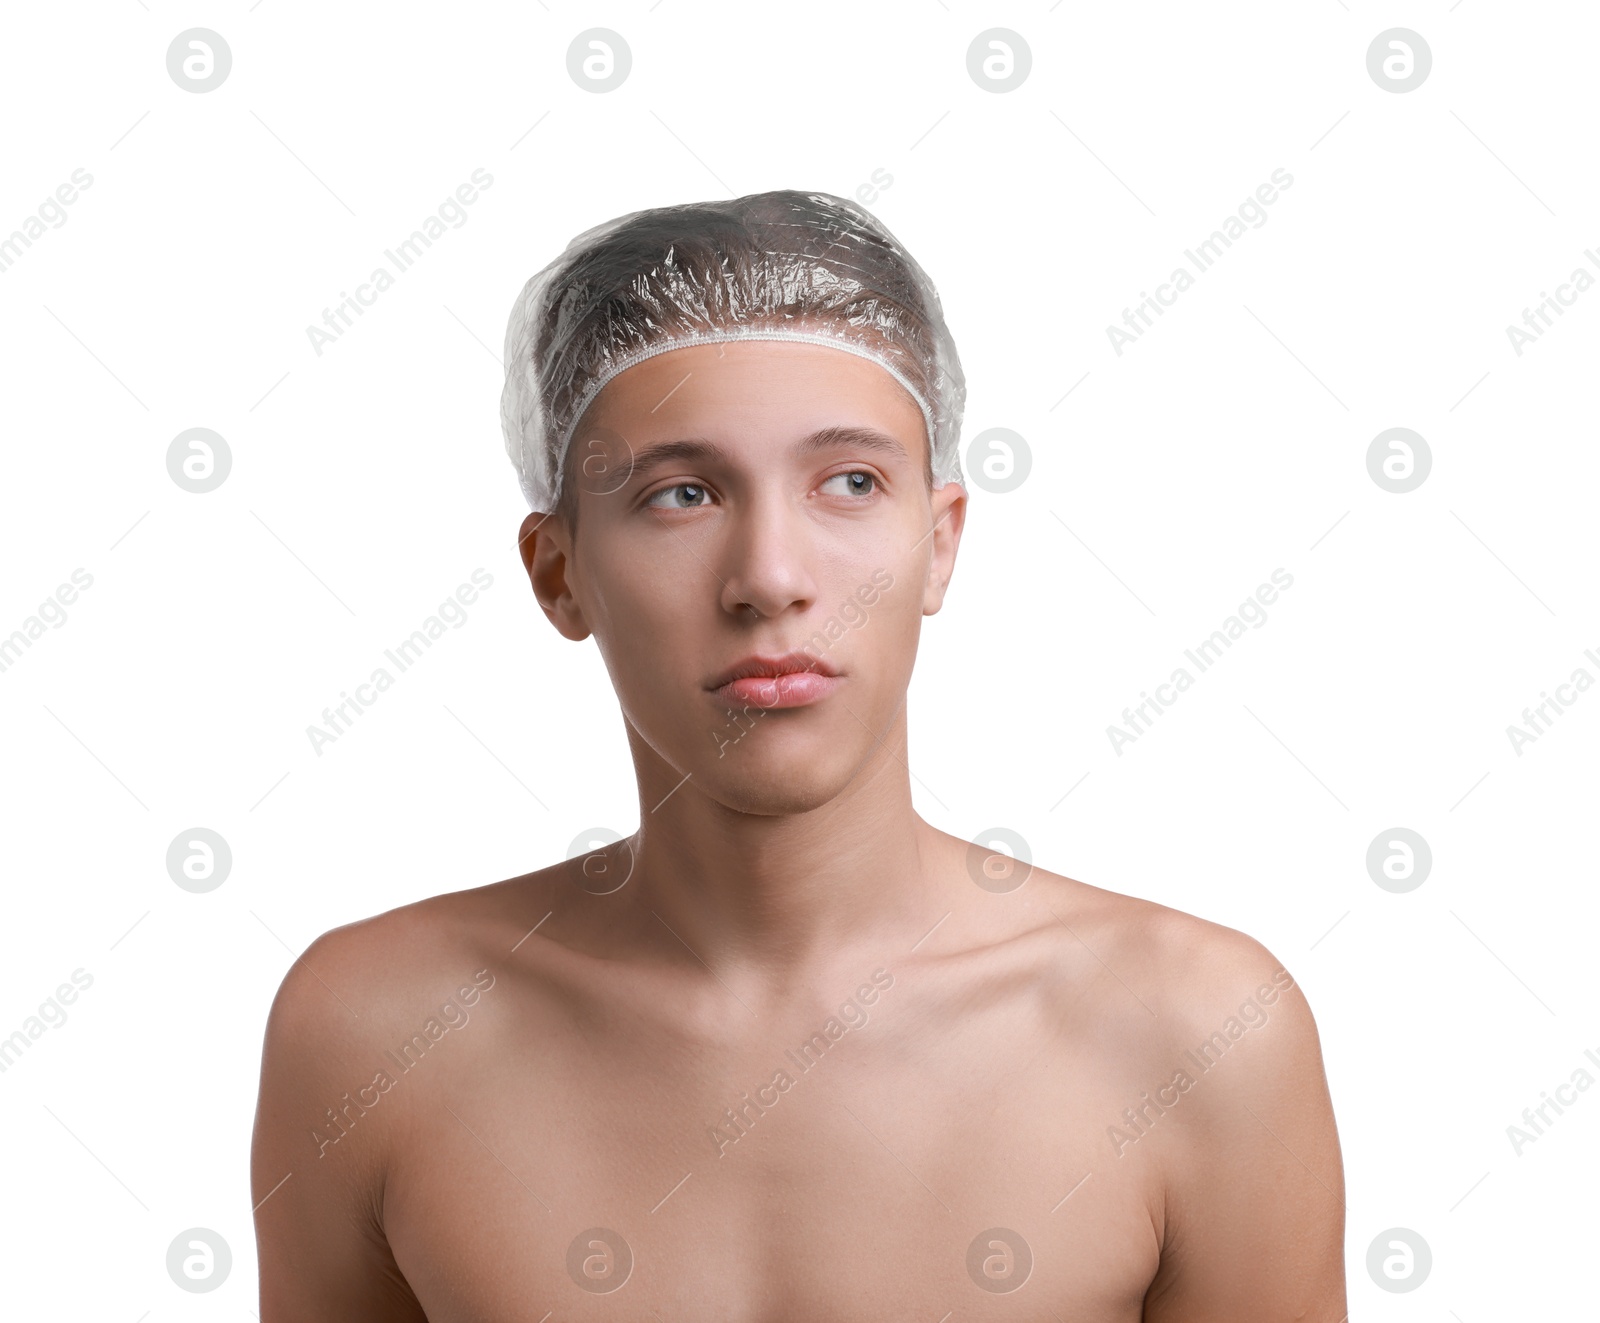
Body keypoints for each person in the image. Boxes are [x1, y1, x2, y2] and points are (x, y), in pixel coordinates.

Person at [251, 189, 1347, 1319]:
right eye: (681, 493)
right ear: (558, 571)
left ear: (938, 543)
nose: (770, 575)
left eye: (850, 483)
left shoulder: (1195, 1033)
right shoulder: (371, 1034)